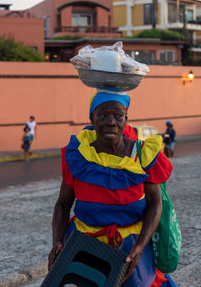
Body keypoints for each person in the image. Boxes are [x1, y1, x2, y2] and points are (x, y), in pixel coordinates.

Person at [48, 91, 176, 287]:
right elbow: (63, 205)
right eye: (103, 115)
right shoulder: (79, 155)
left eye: (118, 115)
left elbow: (155, 203)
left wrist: (139, 247)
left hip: (129, 248)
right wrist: (57, 242)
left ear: (126, 119)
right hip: (83, 245)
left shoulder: (142, 155)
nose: (111, 121)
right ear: (91, 118)